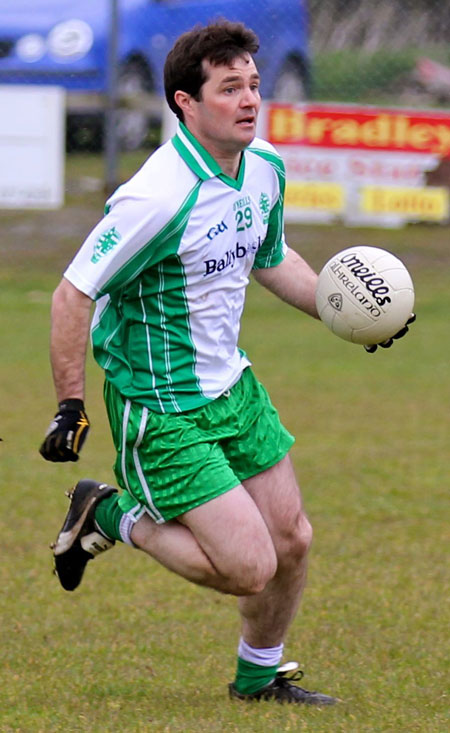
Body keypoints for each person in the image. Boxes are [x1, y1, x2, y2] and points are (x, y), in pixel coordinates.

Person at [40, 20, 412, 706]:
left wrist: (343, 311)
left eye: (254, 86)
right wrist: (71, 405)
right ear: (186, 102)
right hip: (162, 405)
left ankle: (258, 676)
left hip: (231, 385)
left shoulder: (263, 166)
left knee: (292, 539)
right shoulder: (158, 196)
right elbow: (73, 291)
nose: (249, 101)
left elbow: (271, 259)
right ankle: (112, 512)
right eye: (229, 88)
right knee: (248, 567)